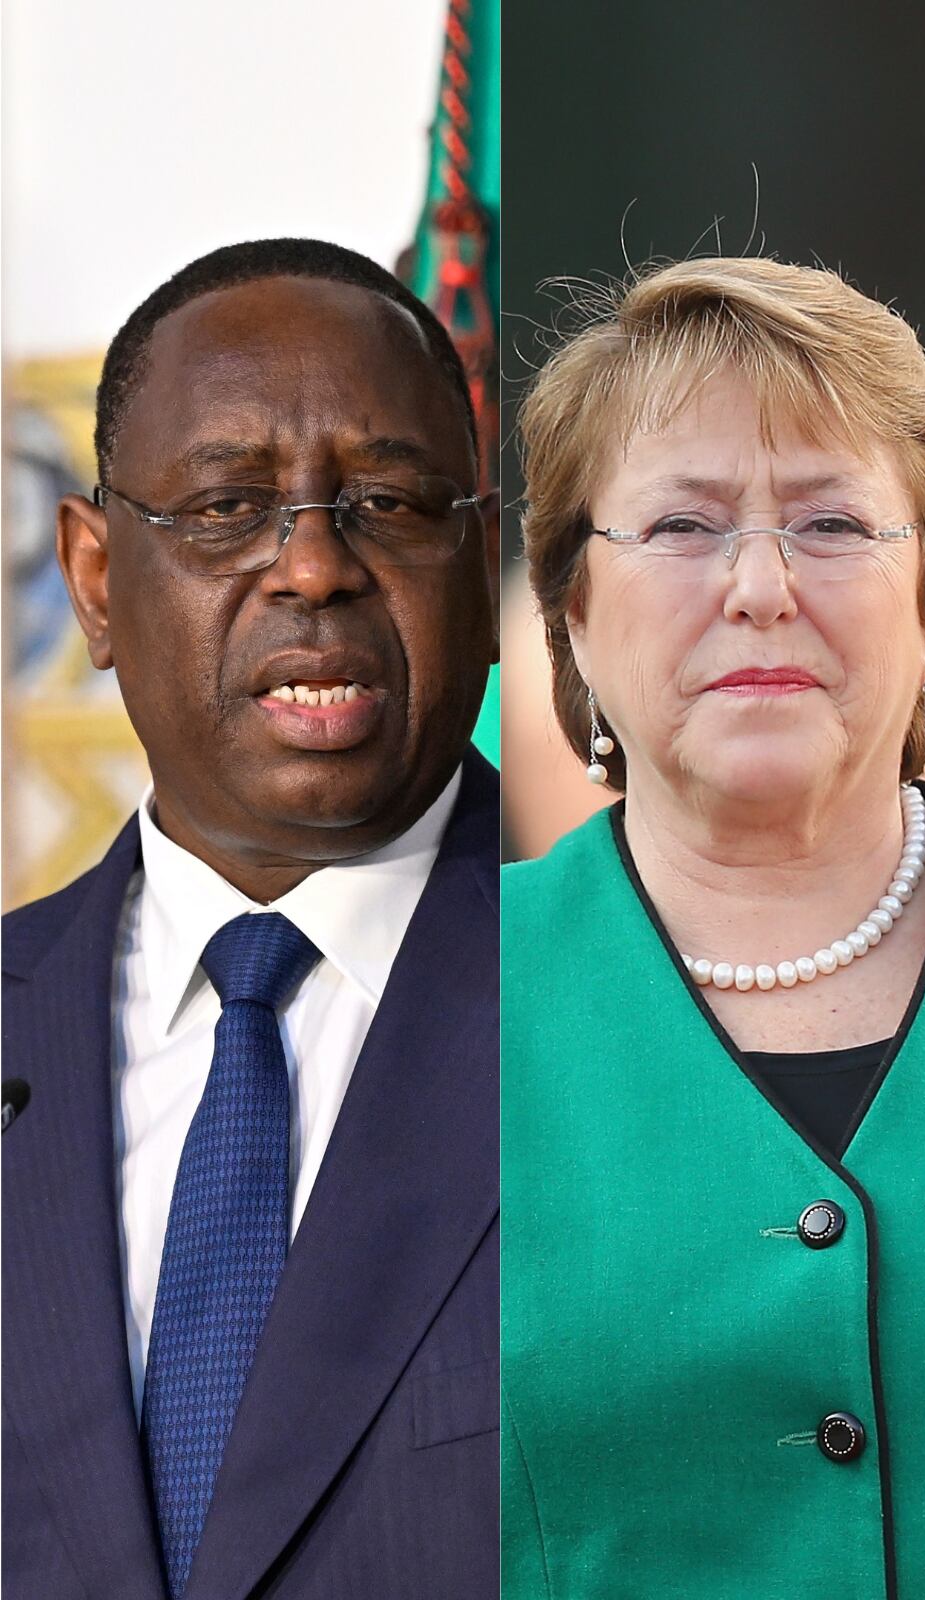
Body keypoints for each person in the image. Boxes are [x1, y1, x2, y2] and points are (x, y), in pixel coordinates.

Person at [1, 239, 500, 1598]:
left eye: (389, 501)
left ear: (484, 557)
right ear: (96, 582)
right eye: (228, 507)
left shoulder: (646, 1005)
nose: (314, 568)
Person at [501, 258, 925, 1599]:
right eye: (681, 527)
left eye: (834, 524)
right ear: (572, 614)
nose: (762, 586)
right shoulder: (420, 1004)